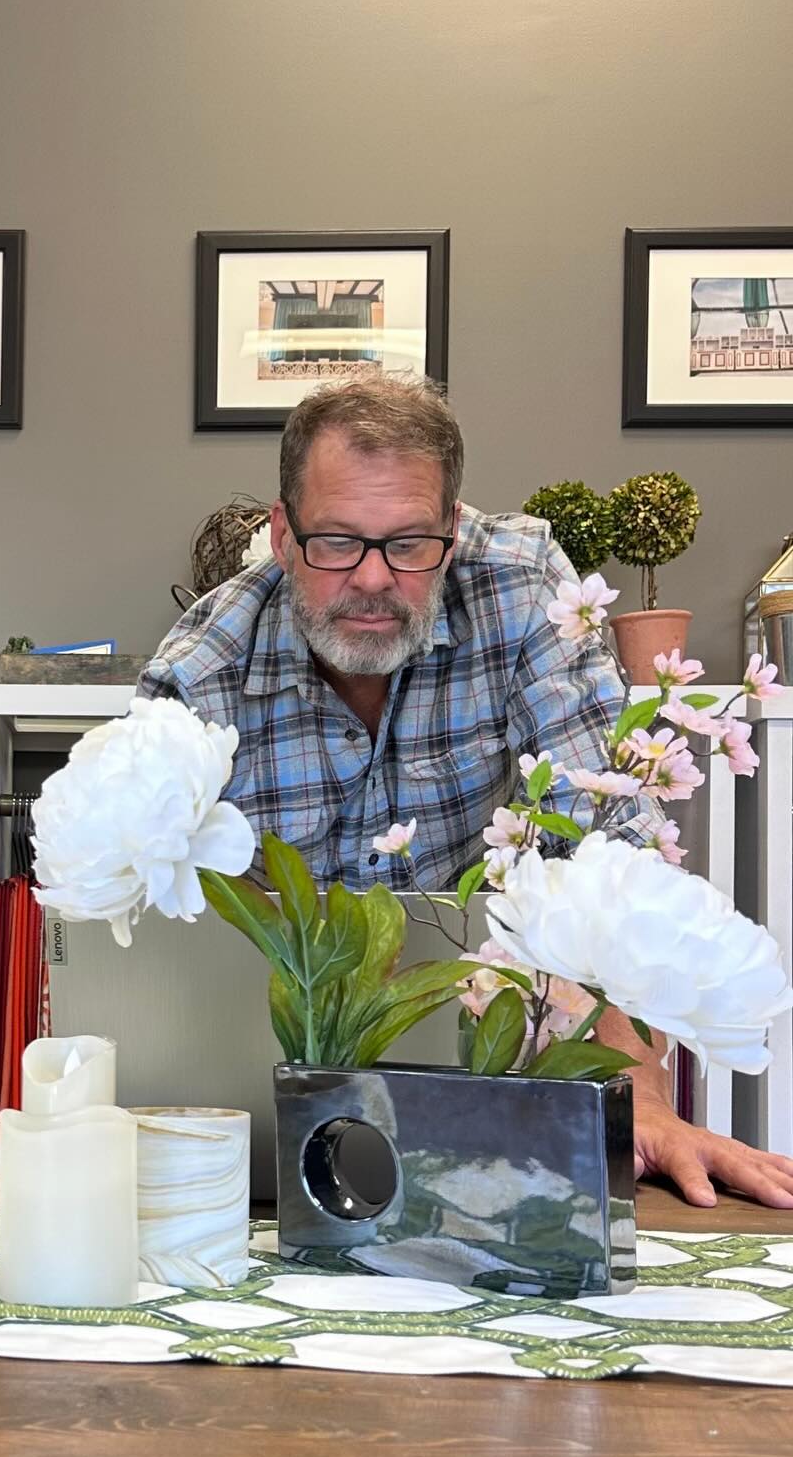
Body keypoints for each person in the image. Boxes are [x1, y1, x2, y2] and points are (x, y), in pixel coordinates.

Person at [141, 369, 793, 1210]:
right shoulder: (199, 670)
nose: (372, 580)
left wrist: (645, 1106)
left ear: (452, 528)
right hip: (270, 1103)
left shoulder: (522, 586)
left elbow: (607, 844)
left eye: (409, 544)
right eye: (336, 542)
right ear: (281, 529)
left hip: (494, 1083)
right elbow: (167, 944)